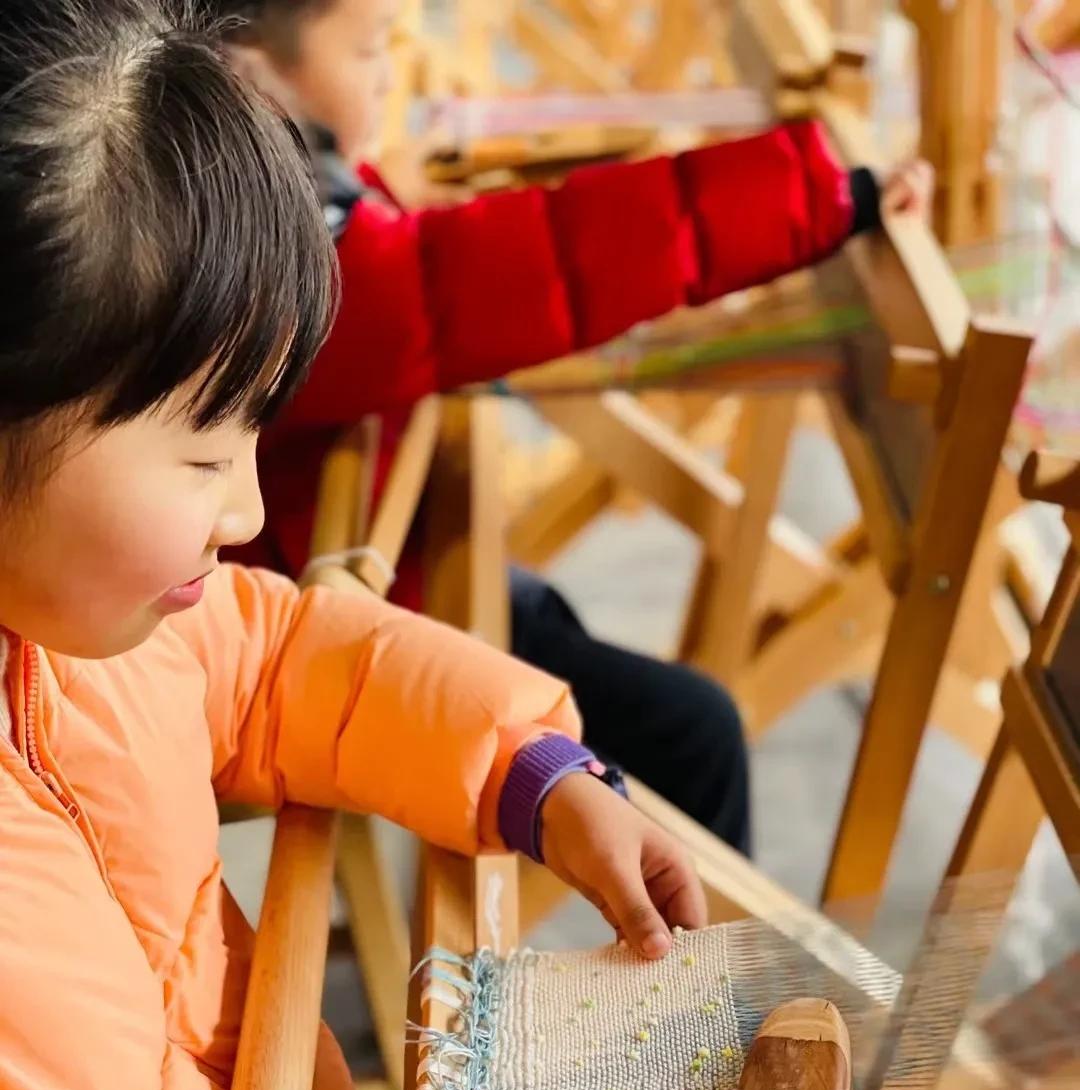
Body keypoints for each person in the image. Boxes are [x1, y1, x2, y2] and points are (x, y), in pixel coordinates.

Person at [0, 4, 865, 1090]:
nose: (252, 512)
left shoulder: (87, 632)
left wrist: (531, 769)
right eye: (206, 446)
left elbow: (280, 654)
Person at [214, 0, 930, 859]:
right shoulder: (301, 281)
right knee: (692, 731)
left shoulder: (247, 207)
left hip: (365, 580)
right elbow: (546, 260)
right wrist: (826, 196)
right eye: (369, 51)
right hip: (332, 635)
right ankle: (695, 993)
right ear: (246, 67)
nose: (388, 74)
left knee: (569, 639)